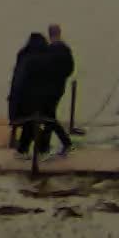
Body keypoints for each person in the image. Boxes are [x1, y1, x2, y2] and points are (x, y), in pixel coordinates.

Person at [41, 24, 76, 157]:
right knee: (49, 115)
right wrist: (61, 77)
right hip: (60, 87)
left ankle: (62, 144)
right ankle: (47, 146)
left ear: (49, 35)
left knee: (48, 116)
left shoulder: (48, 51)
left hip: (48, 88)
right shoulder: (65, 49)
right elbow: (71, 69)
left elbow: (43, 70)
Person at [8, 32, 47, 154]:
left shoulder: (24, 55)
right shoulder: (45, 57)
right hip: (38, 98)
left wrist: (14, 95)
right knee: (31, 125)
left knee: (28, 124)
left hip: (23, 98)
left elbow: (18, 77)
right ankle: (38, 148)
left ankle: (25, 150)